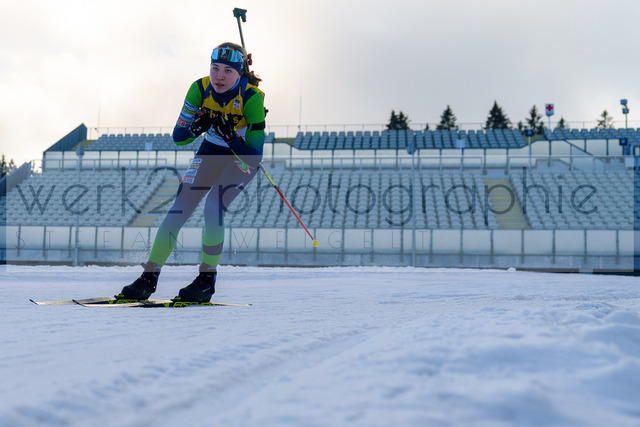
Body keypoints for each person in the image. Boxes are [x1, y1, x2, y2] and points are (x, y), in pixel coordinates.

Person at [116, 42, 266, 302]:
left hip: (239, 158)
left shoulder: (251, 98)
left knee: (213, 207)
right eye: (215, 68)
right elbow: (179, 137)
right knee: (178, 209)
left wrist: (231, 137)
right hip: (210, 152)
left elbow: (254, 157)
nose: (219, 76)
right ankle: (149, 277)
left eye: (228, 71)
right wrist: (199, 126)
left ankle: (206, 280)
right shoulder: (200, 88)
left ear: (239, 73)